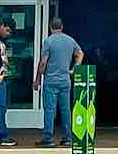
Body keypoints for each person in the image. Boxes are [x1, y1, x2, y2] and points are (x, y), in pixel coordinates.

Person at [35, 18, 84, 147]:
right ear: (62, 27)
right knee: (65, 109)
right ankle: (67, 138)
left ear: (51, 27)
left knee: (50, 110)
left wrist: (38, 78)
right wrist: (74, 68)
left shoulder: (48, 41)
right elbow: (80, 53)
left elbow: (43, 62)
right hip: (65, 80)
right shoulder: (70, 40)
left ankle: (48, 138)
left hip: (51, 81)